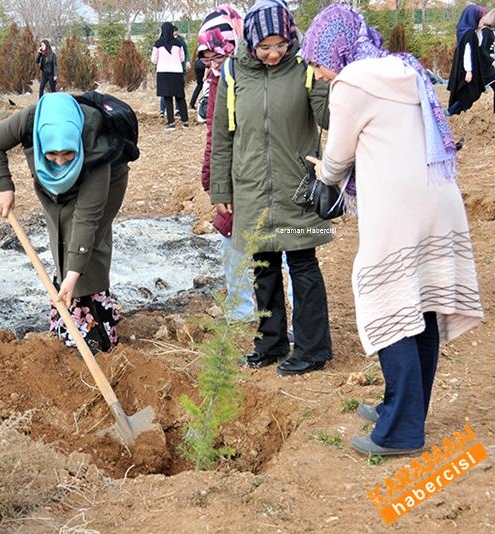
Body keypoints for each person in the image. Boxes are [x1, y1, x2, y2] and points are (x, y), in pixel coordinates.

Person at [301, 4, 483, 455]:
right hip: (438, 198)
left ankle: (401, 433)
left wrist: (324, 174)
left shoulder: (351, 85)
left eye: (318, 63)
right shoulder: (404, 67)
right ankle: (402, 409)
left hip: (399, 209)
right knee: (419, 303)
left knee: (388, 302)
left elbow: (340, 156)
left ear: (336, 51)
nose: (320, 75)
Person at [210, 0, 332, 376]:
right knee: (263, 266)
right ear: (250, 41)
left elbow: (328, 118)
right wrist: (221, 189)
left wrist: (334, 80)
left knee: (302, 264)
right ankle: (271, 342)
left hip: (297, 187)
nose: (274, 53)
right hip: (250, 186)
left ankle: (312, 349)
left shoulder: (304, 68)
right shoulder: (233, 72)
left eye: (281, 44)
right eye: (265, 47)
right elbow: (222, 135)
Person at [0, 92, 131, 353]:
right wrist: (2, 185)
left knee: (87, 242)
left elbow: (87, 218)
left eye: (67, 155)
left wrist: (71, 279)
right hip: (51, 189)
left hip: (107, 178)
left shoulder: (96, 145)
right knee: (62, 236)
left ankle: (93, 329)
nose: (60, 162)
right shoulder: (30, 120)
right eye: (52, 155)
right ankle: (69, 320)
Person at [196, 5, 256, 323]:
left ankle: (269, 307)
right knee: (232, 238)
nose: (211, 61)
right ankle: (242, 308)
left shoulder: (245, 78)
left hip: (250, 175)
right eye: (205, 55)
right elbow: (213, 135)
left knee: (280, 241)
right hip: (231, 175)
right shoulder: (218, 76)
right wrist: (212, 179)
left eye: (216, 52)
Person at [446, 4, 495, 115]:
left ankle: (453, 111)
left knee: (467, 92)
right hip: (468, 69)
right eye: (480, 17)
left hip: (463, 68)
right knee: (469, 92)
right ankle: (450, 111)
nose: (482, 20)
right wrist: (468, 71)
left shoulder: (464, 30)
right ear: (474, 17)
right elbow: (467, 52)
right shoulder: (470, 33)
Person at [152, 22, 189, 130]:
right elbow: (182, 58)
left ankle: (171, 123)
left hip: (163, 72)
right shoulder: (178, 43)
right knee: (180, 97)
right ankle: (185, 122)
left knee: (167, 98)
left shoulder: (158, 43)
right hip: (177, 72)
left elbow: (154, 60)